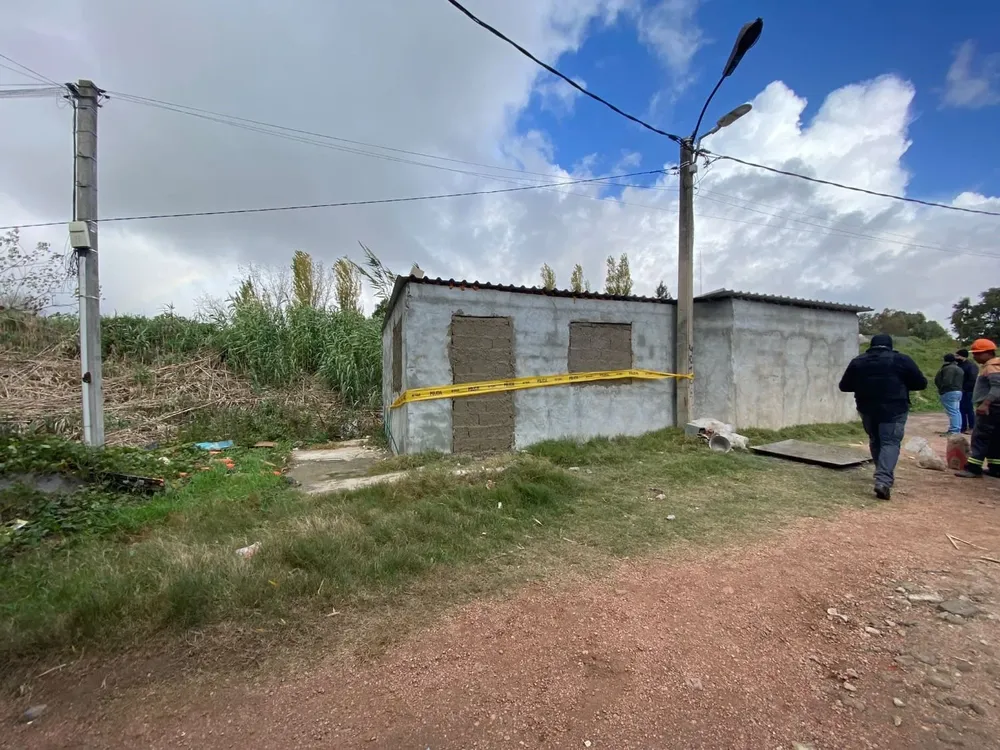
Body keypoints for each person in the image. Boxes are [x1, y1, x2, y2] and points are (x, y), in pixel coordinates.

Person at [839, 333, 928, 500]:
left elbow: (844, 386)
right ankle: (883, 480)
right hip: (894, 408)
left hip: (866, 407)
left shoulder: (858, 361)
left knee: (875, 440)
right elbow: (921, 383)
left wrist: (864, 384)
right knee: (890, 442)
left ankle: (882, 473)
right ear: (890, 346)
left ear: (871, 345)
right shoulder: (901, 360)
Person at [955, 338, 1000, 479]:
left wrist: (985, 403)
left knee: (980, 437)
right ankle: (996, 468)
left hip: (991, 409)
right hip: (996, 408)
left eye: (977, 353)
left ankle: (973, 468)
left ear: (988, 353)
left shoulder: (992, 367)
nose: (974, 356)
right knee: (995, 438)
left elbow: (997, 388)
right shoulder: (995, 365)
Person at [934, 353, 964, 435]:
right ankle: (957, 429)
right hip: (958, 391)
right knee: (956, 411)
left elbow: (947, 381)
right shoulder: (959, 368)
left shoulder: (948, 368)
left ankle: (954, 430)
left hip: (949, 391)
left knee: (952, 412)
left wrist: (941, 388)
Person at [955, 348, 979, 434]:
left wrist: (964, 388)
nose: (956, 357)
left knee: (969, 409)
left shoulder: (971, 366)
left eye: (957, 355)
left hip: (968, 391)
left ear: (963, 356)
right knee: (961, 409)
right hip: (960, 390)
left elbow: (973, 379)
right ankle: (963, 427)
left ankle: (972, 427)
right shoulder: (959, 365)